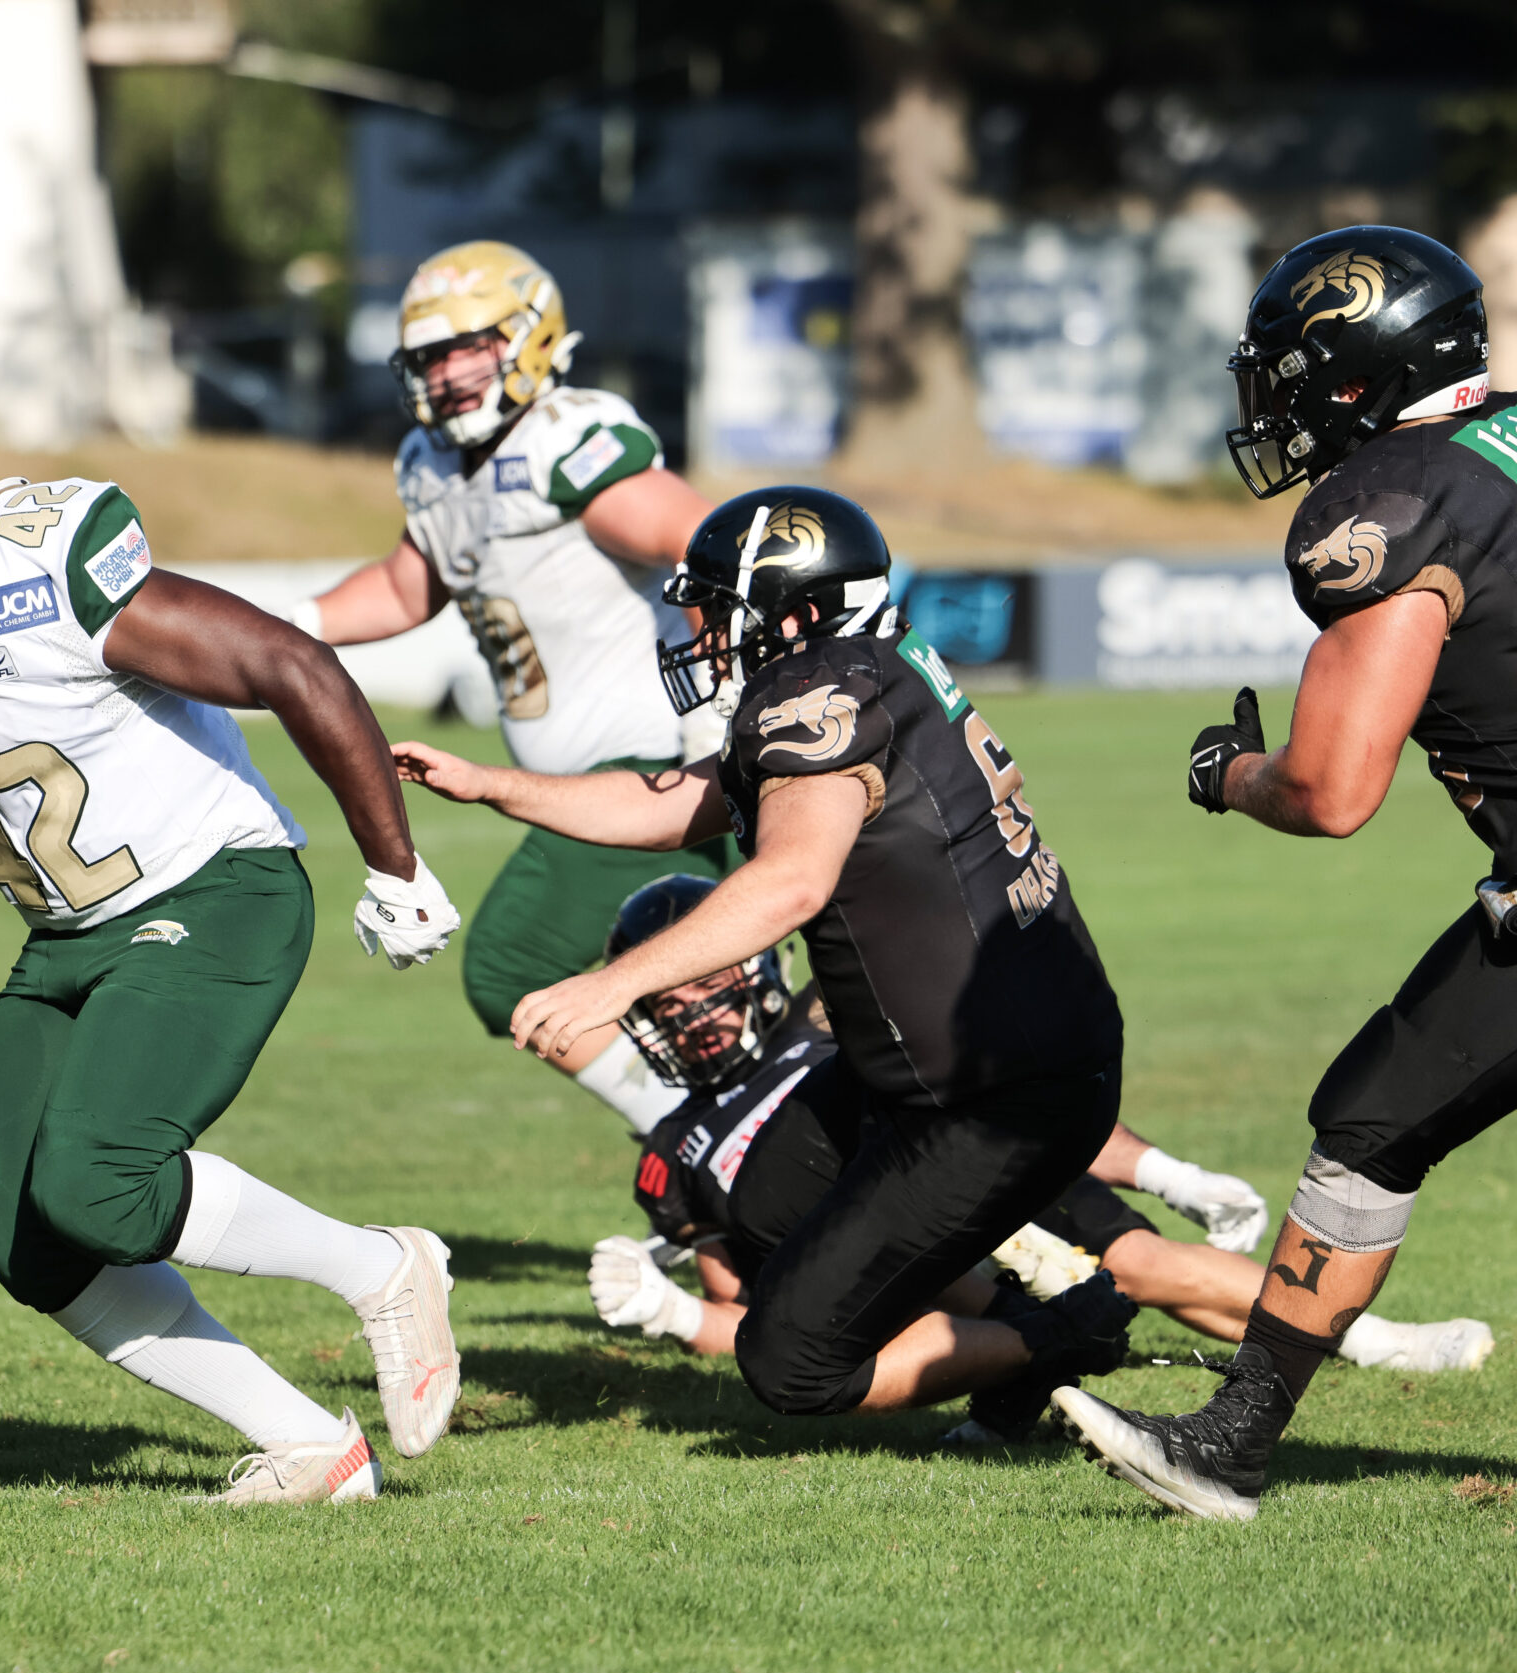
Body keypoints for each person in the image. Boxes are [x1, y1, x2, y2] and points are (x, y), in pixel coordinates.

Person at [0, 365, 464, 1504]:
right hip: (67, 934)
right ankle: (309, 1449)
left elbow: (292, 664)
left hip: (216, 885)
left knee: (96, 1183)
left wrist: (394, 863)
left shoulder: (40, 563)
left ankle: (383, 1266)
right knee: (24, 1240)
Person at [398, 485, 1139, 1425]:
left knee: (791, 1361)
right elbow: (676, 804)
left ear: (792, 610)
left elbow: (793, 880)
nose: (700, 627)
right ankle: (1010, 1336)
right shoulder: (864, 668)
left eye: (716, 605)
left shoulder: (816, 695)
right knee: (767, 1203)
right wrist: (488, 784)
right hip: (957, 1058)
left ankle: (1062, 1334)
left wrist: (610, 984)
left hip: (991, 1091)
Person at [1058, 226, 1517, 1521]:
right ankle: (1232, 1439)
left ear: (1355, 371)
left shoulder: (1392, 503)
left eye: (1290, 373)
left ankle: (1233, 1441)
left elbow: (1333, 789)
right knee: (1373, 1116)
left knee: (1372, 1125)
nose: (1272, 405)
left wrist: (1229, 774)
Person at [582, 877, 1492, 1444]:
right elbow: (746, 1301)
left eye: (701, 979)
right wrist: (666, 1309)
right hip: (901, 1257)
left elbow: (1010, 1091)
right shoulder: (674, 1154)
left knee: (1144, 1265)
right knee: (986, 1295)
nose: (693, 1008)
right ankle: (1024, 1370)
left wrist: (1167, 1173)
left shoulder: (827, 1017)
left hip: (960, 1155)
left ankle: (1372, 1340)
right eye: (668, 999)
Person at [291, 241, 730, 1134]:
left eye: (468, 346)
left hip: (649, 764)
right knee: (680, 1004)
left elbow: (710, 546)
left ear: (529, 338)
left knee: (512, 960)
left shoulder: (564, 443)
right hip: (580, 778)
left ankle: (709, 1152)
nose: (447, 373)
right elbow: (414, 583)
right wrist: (283, 628)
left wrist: (723, 702)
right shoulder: (431, 461)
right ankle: (740, 1170)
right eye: (429, 355)